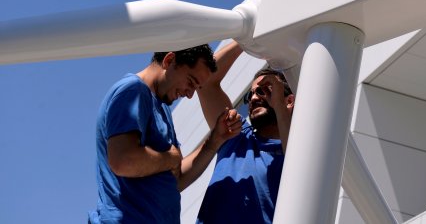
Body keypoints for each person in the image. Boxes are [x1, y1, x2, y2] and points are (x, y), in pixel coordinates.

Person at [89, 44, 243, 224]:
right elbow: (123, 161)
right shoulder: (132, 91)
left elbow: (176, 180)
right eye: (190, 82)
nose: (190, 94)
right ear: (169, 60)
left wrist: (215, 141)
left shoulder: (162, 109)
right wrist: (170, 158)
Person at [195, 40, 295, 224]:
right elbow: (206, 82)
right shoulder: (234, 135)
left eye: (265, 90)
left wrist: (280, 108)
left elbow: (299, 173)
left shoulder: (299, 149)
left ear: (289, 101)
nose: (255, 98)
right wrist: (245, 39)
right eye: (251, 94)